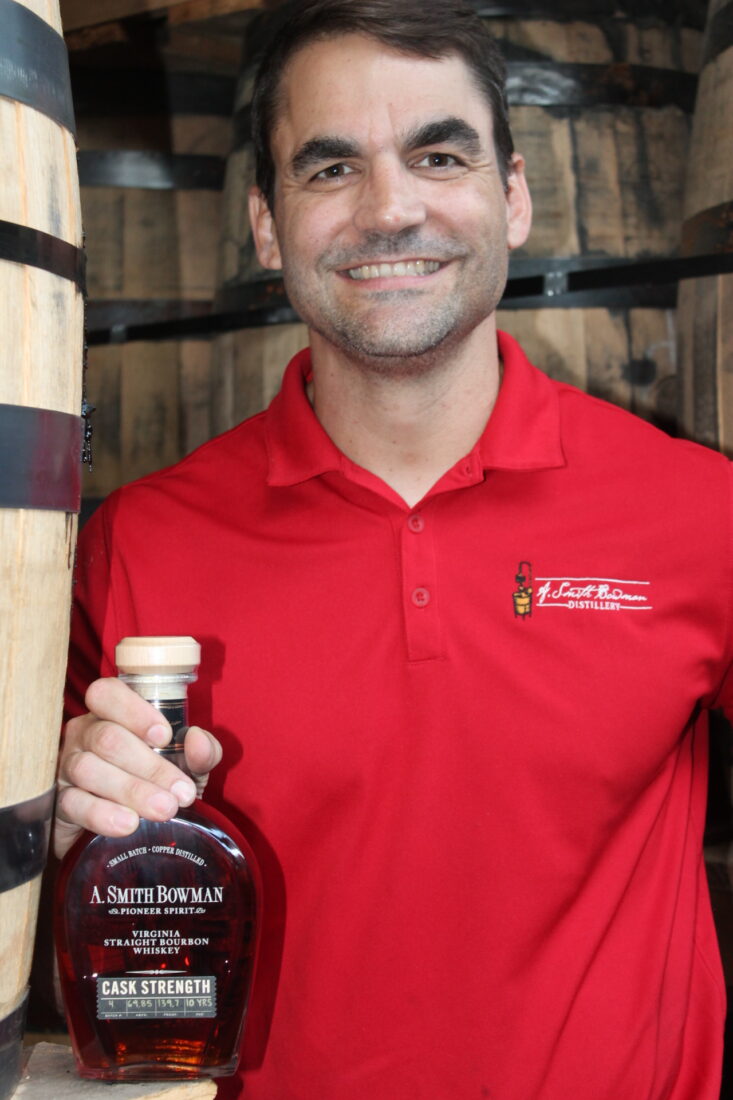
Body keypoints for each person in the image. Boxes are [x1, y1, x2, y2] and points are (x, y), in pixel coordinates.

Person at [55, 1, 732, 1097]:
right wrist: (62, 795)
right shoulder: (137, 543)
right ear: (267, 226)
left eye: (439, 153)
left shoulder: (699, 510)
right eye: (330, 170)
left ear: (511, 197)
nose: (391, 208)